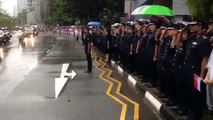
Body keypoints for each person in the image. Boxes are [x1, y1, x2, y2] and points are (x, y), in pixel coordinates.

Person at [181, 19, 212, 120]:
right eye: (190, 25)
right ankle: (191, 114)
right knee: (189, 93)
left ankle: (196, 116)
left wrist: (201, 76)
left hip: (196, 73)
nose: (190, 27)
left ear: (200, 26)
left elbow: (205, 59)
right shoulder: (193, 38)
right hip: (188, 71)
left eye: (193, 25)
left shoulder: (204, 40)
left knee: (196, 96)